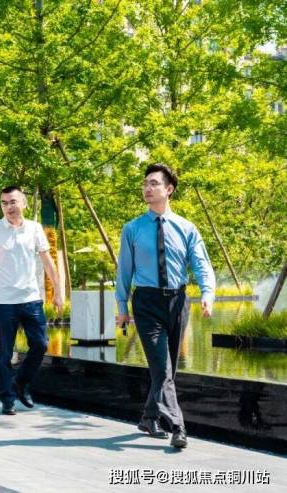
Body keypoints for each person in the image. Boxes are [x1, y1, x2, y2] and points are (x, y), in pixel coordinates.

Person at [115, 163, 216, 449]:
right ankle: (178, 426)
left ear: (169, 189)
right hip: (146, 302)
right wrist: (122, 306)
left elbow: (201, 264)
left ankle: (149, 418)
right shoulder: (132, 229)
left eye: (154, 183)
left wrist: (207, 293)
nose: (147, 188)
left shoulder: (186, 228)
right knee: (161, 367)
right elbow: (124, 270)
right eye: (145, 183)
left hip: (178, 302)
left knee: (168, 370)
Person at [0, 186, 63, 416]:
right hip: (3, 301)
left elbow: (48, 261)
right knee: (4, 354)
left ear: (24, 203)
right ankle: (7, 399)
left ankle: (21, 381)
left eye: (13, 202)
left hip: (31, 299)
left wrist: (58, 291)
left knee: (41, 344)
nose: (9, 207)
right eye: (4, 203)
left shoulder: (34, 228)